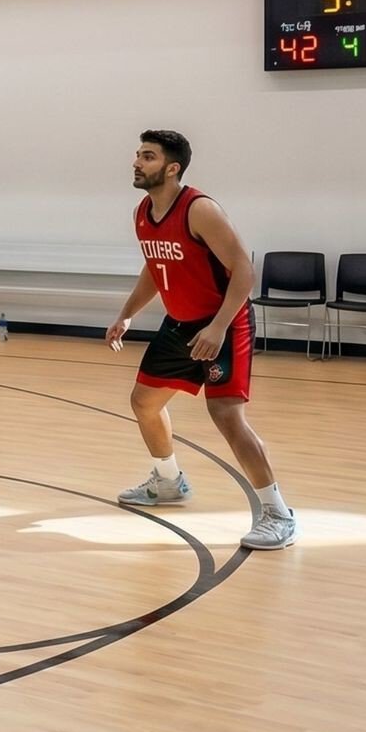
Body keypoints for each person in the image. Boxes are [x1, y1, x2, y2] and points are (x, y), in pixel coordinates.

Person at [105, 130, 295, 549]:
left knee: (227, 414)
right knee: (144, 401)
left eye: (148, 157)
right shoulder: (143, 211)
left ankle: (278, 513)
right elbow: (156, 269)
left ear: (172, 168)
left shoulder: (199, 210)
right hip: (180, 324)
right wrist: (127, 314)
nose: (137, 162)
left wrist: (219, 326)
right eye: (138, 155)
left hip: (222, 321)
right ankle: (169, 482)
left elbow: (244, 270)